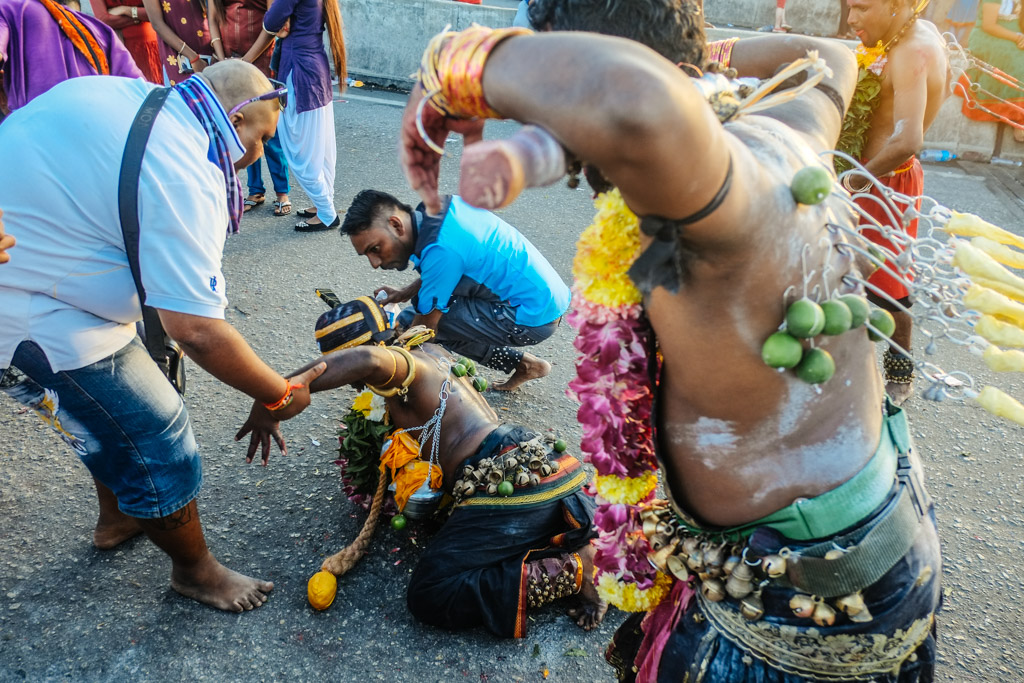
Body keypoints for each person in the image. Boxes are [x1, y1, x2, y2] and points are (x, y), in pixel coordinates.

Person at [398, 11, 941, 683]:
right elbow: (830, 54)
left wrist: (453, 65)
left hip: (803, 605)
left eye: (563, 112)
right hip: (875, 534)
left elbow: (635, 101)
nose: (565, 146)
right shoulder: (784, 130)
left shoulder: (707, 197)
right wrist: (704, 56)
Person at [0, 60, 326, 612]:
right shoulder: (184, 166)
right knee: (154, 429)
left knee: (102, 416)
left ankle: (120, 516)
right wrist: (277, 392)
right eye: (260, 137)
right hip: (32, 307)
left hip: (49, 277)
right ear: (238, 115)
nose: (253, 156)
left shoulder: (136, 97)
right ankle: (196, 572)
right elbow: (196, 330)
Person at [236, 298, 605, 636]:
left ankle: (574, 572)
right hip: (543, 459)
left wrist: (275, 395)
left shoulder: (396, 364)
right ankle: (579, 543)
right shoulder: (428, 346)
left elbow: (366, 361)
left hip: (503, 480)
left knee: (431, 593)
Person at [339, 189, 571, 392]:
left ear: (396, 225)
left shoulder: (441, 249)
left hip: (531, 319)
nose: (374, 263)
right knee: (426, 311)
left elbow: (423, 329)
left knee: (416, 325)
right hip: (543, 300)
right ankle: (525, 366)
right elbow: (451, 270)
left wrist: (385, 369)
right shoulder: (439, 210)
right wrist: (404, 293)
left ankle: (430, 392)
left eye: (375, 249)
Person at [846, 0, 950, 405]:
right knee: (842, 265)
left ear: (895, 4)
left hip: (888, 182)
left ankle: (900, 369)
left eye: (861, 8)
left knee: (888, 285)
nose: (852, 18)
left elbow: (908, 139)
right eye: (848, 7)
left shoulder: (913, 50)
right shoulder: (895, 35)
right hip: (865, 175)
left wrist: (851, 180)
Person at [241, 0, 346, 231]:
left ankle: (327, 213)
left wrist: (243, 62)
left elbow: (271, 22)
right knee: (320, 147)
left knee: (299, 149)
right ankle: (322, 203)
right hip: (313, 69)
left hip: (300, 71)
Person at [207, 0, 291, 216]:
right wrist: (223, 60)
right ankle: (255, 191)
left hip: (259, 66)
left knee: (267, 134)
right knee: (242, 131)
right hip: (229, 65)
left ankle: (282, 192)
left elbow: (275, 21)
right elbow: (214, 17)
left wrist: (245, 61)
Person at [0, 0, 142, 113]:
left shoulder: (7, 8)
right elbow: (139, 91)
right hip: (96, 125)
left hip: (40, 130)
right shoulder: (97, 28)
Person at [956, 0, 1024, 142]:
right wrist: (1018, 37)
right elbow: (989, 26)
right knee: (1019, 63)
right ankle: (1020, 122)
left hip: (1015, 37)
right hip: (989, 38)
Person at [88, 0, 163, 83]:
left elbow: (157, 13)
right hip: (121, 47)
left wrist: (125, 10)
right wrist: (139, 17)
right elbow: (104, 19)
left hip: (152, 47)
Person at [141, 0, 214, 83]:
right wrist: (193, 57)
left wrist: (218, 51)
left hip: (211, 48)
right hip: (177, 56)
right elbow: (157, 24)